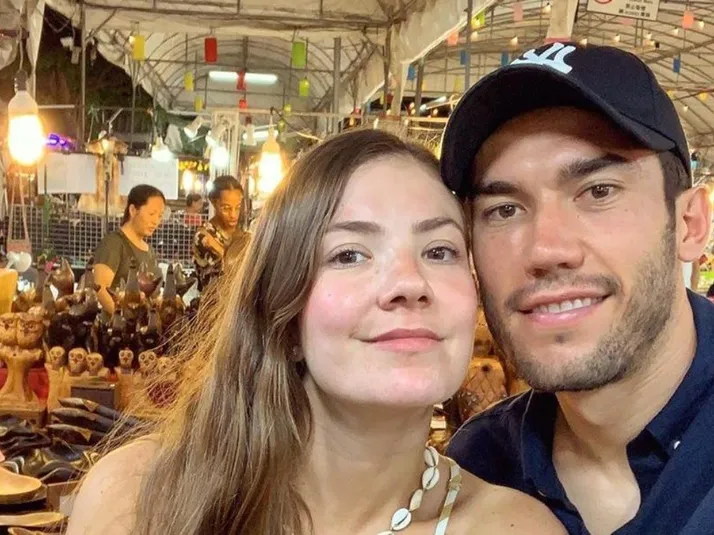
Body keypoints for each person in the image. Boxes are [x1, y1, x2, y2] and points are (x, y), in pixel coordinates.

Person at [66, 130, 563, 535]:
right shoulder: (134, 499)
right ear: (283, 315)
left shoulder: (518, 528)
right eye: (349, 254)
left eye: (439, 251)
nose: (410, 284)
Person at [440, 42, 714, 535]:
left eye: (598, 191)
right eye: (504, 209)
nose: (546, 249)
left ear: (690, 224)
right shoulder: (479, 468)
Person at [94, 185, 165, 315]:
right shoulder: (114, 243)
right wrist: (122, 318)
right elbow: (100, 289)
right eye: (151, 214)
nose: (156, 221)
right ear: (133, 210)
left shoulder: (150, 251)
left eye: (160, 216)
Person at [192, 175, 245, 291]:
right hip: (214, 300)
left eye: (237, 208)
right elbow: (229, 271)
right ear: (214, 203)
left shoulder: (243, 235)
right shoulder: (203, 236)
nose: (233, 215)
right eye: (226, 208)